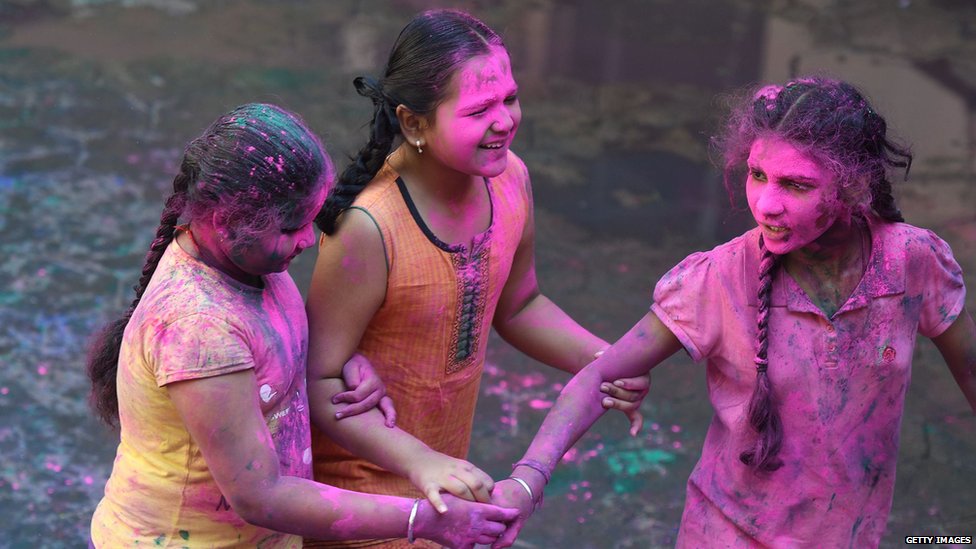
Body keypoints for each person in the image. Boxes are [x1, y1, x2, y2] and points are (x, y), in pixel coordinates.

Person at [489, 77, 976, 548]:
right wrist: (526, 482)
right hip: (724, 533)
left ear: (853, 185)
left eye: (796, 185)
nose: (766, 205)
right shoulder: (718, 279)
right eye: (757, 175)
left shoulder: (910, 262)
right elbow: (600, 377)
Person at [85, 103, 517, 548]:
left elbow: (264, 356)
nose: (309, 240)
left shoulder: (248, 262)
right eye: (292, 228)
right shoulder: (198, 327)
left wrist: (335, 361)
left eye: (311, 220)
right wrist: (421, 520)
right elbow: (261, 496)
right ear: (222, 220)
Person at [303, 9, 650, 548]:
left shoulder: (510, 179)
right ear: (414, 123)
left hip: (450, 484)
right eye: (479, 109)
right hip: (364, 501)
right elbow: (318, 380)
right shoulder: (369, 227)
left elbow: (520, 304)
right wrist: (419, 460)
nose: (504, 121)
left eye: (510, 99)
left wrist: (605, 361)